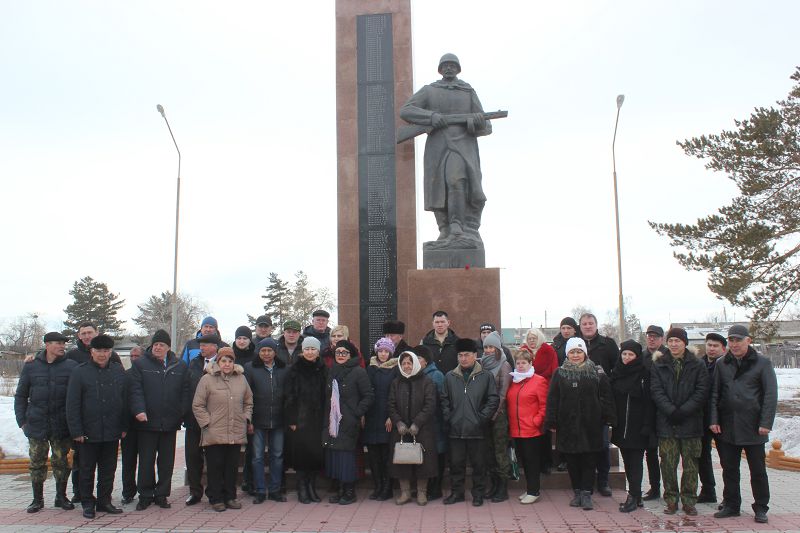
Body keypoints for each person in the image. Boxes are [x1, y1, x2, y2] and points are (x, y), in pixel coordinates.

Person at [399, 53, 492, 249]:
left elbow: (487, 126)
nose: (449, 68)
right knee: (437, 187)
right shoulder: (430, 91)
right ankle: (444, 229)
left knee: (456, 180)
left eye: (452, 65)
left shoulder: (467, 92)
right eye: (445, 65)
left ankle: (457, 227)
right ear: (440, 69)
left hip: (462, 146)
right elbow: (406, 110)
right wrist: (431, 116)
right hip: (438, 146)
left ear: (458, 69)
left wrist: (475, 123)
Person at [711, 325, 778, 524]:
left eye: (738, 340)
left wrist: (766, 422)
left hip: (754, 426)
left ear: (748, 341)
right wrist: (714, 420)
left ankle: (761, 507)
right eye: (731, 340)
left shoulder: (762, 363)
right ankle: (732, 505)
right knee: (729, 469)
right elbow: (715, 393)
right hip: (728, 426)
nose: (734, 344)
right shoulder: (722, 364)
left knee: (757, 470)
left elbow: (770, 395)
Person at [545, 337, 615, 511]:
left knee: (589, 460)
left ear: (585, 353)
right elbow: (553, 398)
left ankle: (586, 493)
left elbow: (606, 397)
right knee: (572, 461)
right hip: (567, 424)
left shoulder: (597, 372)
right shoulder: (559, 373)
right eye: (572, 352)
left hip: (591, 424)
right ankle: (577, 492)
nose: (575, 355)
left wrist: (608, 417)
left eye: (579, 351)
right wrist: (551, 420)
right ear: (567, 354)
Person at [14, 332, 79, 513]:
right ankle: (37, 499)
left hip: (61, 424)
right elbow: (21, 395)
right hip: (36, 424)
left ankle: (61, 496)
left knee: (61, 461)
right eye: (58, 343)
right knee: (36, 462)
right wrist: (22, 421)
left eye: (63, 343)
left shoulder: (71, 367)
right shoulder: (31, 366)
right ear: (47, 345)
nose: (62, 346)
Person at [66, 334, 128, 518]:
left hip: (111, 430)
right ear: (91, 351)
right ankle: (87, 502)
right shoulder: (80, 372)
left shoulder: (118, 371)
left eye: (106, 350)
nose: (102, 354)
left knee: (108, 469)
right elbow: (72, 403)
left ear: (111, 352)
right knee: (86, 469)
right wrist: (76, 430)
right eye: (98, 350)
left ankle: (104, 501)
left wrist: (124, 426)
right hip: (87, 431)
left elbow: (125, 400)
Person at [650, 327, 709, 516]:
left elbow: (702, 391)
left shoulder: (697, 364)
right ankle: (671, 500)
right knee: (668, 464)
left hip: (691, 423)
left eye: (678, 341)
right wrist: (670, 410)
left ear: (685, 343)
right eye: (671, 341)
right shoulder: (659, 363)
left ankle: (689, 500)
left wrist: (684, 411)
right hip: (667, 423)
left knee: (691, 464)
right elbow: (656, 391)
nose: (674, 344)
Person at [128, 329, 190, 511]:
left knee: (166, 462)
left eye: (161, 345)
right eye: (155, 344)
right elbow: (135, 390)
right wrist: (139, 410)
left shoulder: (179, 366)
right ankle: (145, 495)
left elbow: (185, 392)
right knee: (146, 461)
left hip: (170, 422)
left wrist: (181, 412)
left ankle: (162, 494)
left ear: (168, 347)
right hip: (147, 422)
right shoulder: (140, 364)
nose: (157, 347)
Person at [192, 347, 253, 512]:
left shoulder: (241, 379)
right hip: (214, 431)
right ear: (218, 361)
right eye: (224, 360)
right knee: (215, 466)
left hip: (235, 430)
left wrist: (246, 418)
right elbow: (198, 405)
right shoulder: (207, 379)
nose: (227, 364)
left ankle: (230, 497)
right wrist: (207, 423)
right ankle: (216, 498)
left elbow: (248, 402)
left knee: (231, 467)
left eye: (230, 360)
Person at [440, 338, 499, 507]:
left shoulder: (485, 376)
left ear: (475, 355)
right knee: (456, 464)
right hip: (456, 428)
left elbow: (493, 399)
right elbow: (444, 399)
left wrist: (482, 418)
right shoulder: (450, 376)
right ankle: (457, 493)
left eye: (467, 355)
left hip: (478, 429)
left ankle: (478, 494)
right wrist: (449, 417)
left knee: (479, 465)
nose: (463, 358)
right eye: (460, 355)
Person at [323, 339, 374, 505]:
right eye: (338, 352)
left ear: (350, 354)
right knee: (336, 455)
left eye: (344, 352)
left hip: (349, 421)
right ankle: (340, 490)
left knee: (346, 456)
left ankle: (349, 491)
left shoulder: (358, 372)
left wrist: (356, 413)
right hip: (333, 420)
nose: (341, 355)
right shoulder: (332, 371)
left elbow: (368, 396)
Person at [388, 350, 438, 505]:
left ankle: (422, 493)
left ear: (415, 363)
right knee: (403, 462)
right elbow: (391, 404)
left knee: (423, 462)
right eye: (403, 363)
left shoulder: (426, 381)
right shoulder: (396, 382)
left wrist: (417, 422)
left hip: (422, 429)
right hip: (401, 430)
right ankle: (405, 493)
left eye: (409, 363)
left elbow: (430, 404)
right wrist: (398, 422)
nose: (407, 366)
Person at [610, 340, 654, 513]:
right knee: (627, 461)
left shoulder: (645, 374)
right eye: (624, 354)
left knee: (635, 462)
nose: (627, 358)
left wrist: (647, 425)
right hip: (621, 426)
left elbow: (650, 402)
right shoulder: (617, 372)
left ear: (637, 356)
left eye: (631, 354)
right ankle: (636, 496)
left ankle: (633, 496)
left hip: (638, 426)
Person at [579, 312, 619, 496]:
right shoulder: (575, 345)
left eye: (590, 323)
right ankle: (583, 482)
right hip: (579, 404)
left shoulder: (607, 344)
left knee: (603, 444)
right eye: (584, 324)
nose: (587, 326)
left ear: (596, 325)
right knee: (583, 444)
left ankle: (603, 481)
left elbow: (617, 369)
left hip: (601, 403)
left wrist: (605, 381)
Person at [244, 338, 288, 503]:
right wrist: (249, 420)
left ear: (275, 352)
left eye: (269, 350)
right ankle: (260, 490)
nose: (266, 354)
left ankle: (275, 489)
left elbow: (287, 394)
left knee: (277, 455)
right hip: (257, 419)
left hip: (279, 419)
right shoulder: (250, 368)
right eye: (263, 351)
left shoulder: (284, 369)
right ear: (259, 352)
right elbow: (246, 395)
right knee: (257, 457)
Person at [284, 337, 327, 503]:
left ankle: (311, 487)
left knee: (315, 455)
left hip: (317, 420)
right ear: (303, 351)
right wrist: (292, 420)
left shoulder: (323, 369)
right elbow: (289, 396)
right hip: (300, 420)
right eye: (307, 349)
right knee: (302, 456)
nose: (310, 352)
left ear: (318, 352)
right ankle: (302, 488)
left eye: (313, 349)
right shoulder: (294, 369)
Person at [506, 349, 548, 504]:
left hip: (531, 431)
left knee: (532, 462)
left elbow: (544, 405)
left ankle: (534, 490)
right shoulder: (514, 381)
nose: (521, 365)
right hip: (516, 430)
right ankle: (529, 489)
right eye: (518, 363)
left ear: (530, 364)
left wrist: (535, 421)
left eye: (524, 362)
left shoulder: (538, 381)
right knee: (524, 461)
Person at [184, 333, 221, 506]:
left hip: (214, 420)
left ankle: (214, 492)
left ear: (214, 346)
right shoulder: (194, 363)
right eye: (201, 344)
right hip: (193, 419)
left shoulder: (223, 363)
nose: (201, 347)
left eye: (205, 344)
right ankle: (195, 492)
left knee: (213, 458)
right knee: (192, 457)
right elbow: (187, 388)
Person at [519, 328, 559, 475]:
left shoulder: (548, 351)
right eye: (529, 338)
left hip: (544, 392)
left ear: (540, 338)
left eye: (534, 338)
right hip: (527, 395)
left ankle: (546, 462)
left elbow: (554, 371)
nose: (531, 340)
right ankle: (528, 462)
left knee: (544, 430)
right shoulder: (523, 351)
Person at [363, 337, 399, 501]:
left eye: (386, 351)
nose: (383, 354)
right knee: (373, 456)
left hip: (386, 418)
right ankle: (378, 486)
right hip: (371, 417)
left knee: (386, 456)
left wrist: (392, 416)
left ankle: (388, 487)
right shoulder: (369, 368)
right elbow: (363, 392)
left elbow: (396, 396)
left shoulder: (395, 369)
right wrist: (363, 413)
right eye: (381, 351)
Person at [480, 331, 512, 502]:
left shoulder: (504, 365)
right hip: (485, 414)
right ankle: (493, 485)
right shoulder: (483, 364)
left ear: (498, 347)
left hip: (498, 415)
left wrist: (493, 413)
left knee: (500, 451)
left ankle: (503, 487)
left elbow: (503, 393)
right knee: (489, 451)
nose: (488, 350)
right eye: (486, 347)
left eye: (491, 346)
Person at [415, 345, 448, 501]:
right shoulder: (414, 374)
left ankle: (436, 487)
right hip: (422, 424)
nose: (416, 361)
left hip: (436, 422)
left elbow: (442, 399)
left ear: (426, 361)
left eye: (419, 358)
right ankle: (425, 487)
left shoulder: (436, 376)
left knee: (437, 455)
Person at [698, 332, 726, 504]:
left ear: (723, 349)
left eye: (715, 346)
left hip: (721, 419)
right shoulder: (699, 364)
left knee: (726, 459)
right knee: (702, 456)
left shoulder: (726, 365)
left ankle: (729, 495)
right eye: (709, 344)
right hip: (702, 418)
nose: (711, 348)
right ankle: (708, 490)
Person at [641, 324, 667, 501]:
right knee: (650, 452)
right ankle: (655, 487)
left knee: (667, 454)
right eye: (649, 336)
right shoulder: (642, 356)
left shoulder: (668, 355)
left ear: (661, 339)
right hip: (647, 410)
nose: (651, 339)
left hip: (665, 410)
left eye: (655, 336)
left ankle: (671, 488)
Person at [232, 325, 256, 495]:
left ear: (249, 340)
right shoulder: (228, 356)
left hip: (248, 406)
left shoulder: (254, 358)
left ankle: (249, 480)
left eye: (245, 338)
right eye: (239, 338)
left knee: (252, 448)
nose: (241, 341)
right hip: (230, 406)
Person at [121, 345, 143, 505]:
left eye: (137, 356)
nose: (134, 359)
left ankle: (145, 490)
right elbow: (121, 403)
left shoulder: (148, 375)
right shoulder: (125, 376)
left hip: (145, 427)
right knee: (128, 462)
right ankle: (128, 492)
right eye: (132, 356)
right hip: (128, 427)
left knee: (146, 461)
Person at [421, 310, 460, 375]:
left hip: (452, 380)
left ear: (448, 322)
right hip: (431, 380)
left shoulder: (457, 341)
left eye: (442, 322)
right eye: (437, 322)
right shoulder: (424, 342)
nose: (440, 325)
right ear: (433, 324)